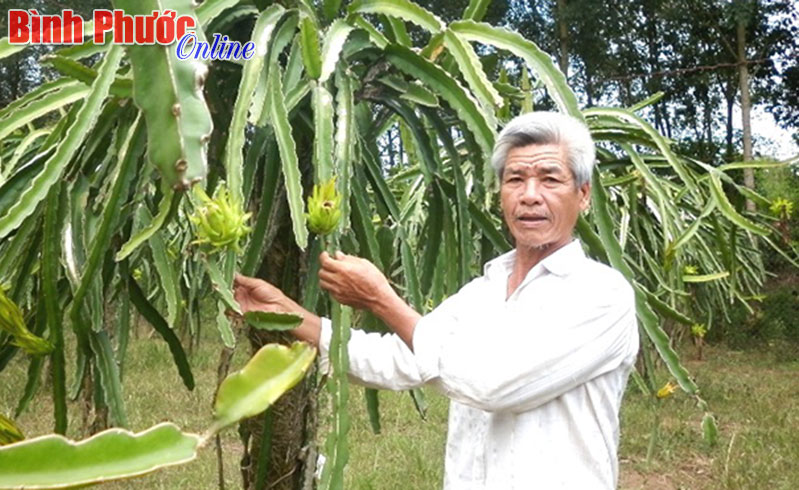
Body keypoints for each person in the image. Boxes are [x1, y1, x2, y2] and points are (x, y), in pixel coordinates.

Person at [234, 111, 639, 489]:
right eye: (515, 179)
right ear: (500, 194)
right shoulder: (483, 291)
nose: (530, 195)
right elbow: (401, 357)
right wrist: (286, 314)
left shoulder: (601, 296)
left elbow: (492, 384)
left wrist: (382, 300)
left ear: (583, 195)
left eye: (550, 179)